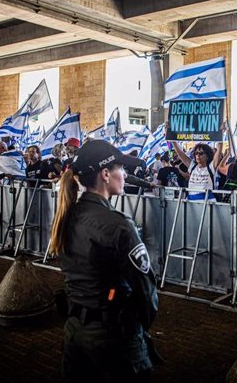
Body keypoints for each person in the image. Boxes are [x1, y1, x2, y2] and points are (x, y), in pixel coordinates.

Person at [48, 140, 158, 382]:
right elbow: (146, 293)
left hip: (75, 328)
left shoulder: (67, 215)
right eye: (121, 168)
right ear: (106, 174)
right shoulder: (118, 224)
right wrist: (135, 332)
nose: (125, 174)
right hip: (112, 336)